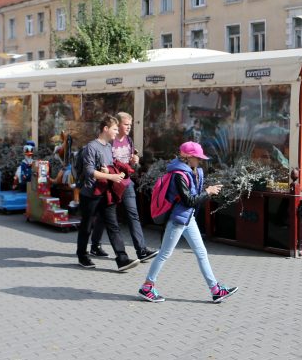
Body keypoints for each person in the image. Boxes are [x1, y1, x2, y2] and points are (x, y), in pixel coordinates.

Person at [138, 142, 238, 304]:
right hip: (178, 219)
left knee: (201, 252)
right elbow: (189, 200)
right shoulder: (178, 175)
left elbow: (192, 197)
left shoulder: (193, 171)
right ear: (188, 157)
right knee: (164, 253)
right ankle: (147, 287)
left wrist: (207, 190)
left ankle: (215, 290)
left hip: (188, 218)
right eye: (197, 158)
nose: (200, 161)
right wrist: (208, 192)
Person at [90, 111, 158, 262]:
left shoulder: (128, 140)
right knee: (104, 216)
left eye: (130, 125)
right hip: (111, 184)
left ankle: (141, 250)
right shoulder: (109, 141)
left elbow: (129, 164)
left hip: (126, 183)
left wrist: (134, 161)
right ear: (117, 124)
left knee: (133, 215)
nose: (128, 128)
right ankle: (94, 246)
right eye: (126, 124)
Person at [76, 115, 140, 272]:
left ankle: (122, 259)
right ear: (105, 129)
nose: (117, 132)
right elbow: (90, 171)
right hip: (90, 194)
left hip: (106, 192)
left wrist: (115, 172)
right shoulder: (92, 147)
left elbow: (108, 166)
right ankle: (82, 255)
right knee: (87, 226)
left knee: (113, 225)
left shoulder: (108, 147)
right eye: (115, 129)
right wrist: (110, 176)